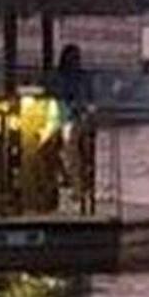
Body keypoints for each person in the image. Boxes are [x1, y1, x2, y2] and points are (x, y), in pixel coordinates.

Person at [53, 44, 92, 211]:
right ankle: (78, 189)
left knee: (72, 155)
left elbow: (63, 96)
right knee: (73, 156)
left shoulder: (65, 77)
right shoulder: (79, 78)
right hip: (71, 119)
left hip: (69, 120)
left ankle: (78, 189)